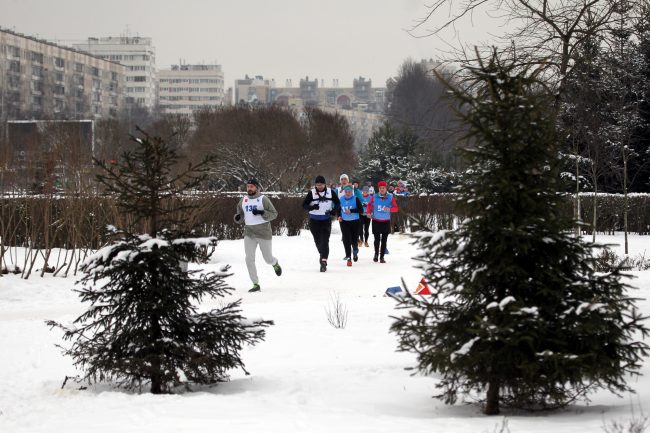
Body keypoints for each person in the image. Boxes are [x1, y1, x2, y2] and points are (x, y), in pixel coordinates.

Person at [233, 178, 282, 292]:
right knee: (249, 259)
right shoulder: (243, 200)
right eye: (248, 186)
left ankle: (274, 263)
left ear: (257, 187)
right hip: (249, 233)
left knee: (267, 259)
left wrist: (262, 213)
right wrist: (237, 218)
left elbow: (274, 214)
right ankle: (255, 284)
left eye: (252, 186)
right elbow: (239, 215)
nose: (249, 189)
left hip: (263, 232)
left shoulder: (263, 199)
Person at [303, 175, 340, 272]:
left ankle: (323, 261)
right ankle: (322, 253)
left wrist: (334, 211)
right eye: (317, 184)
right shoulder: (312, 193)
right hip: (314, 220)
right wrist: (312, 207)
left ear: (325, 184)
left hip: (326, 220)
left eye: (321, 184)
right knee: (318, 240)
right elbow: (304, 205)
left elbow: (338, 203)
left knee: (325, 240)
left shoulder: (330, 192)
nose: (319, 186)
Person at [366, 180, 399, 263]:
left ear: (386, 188)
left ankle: (382, 257)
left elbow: (396, 208)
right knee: (376, 239)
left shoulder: (390, 197)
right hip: (376, 220)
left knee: (384, 240)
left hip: (386, 221)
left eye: (383, 188)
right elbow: (369, 204)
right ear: (378, 188)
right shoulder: (375, 196)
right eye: (380, 188)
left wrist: (389, 209)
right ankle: (376, 254)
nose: (382, 189)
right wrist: (369, 212)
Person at [338, 185, 363, 266]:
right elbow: (338, 209)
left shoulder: (356, 199)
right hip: (344, 222)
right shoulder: (341, 199)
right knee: (346, 239)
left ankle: (355, 249)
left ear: (352, 192)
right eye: (346, 192)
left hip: (355, 222)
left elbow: (361, 210)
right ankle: (349, 257)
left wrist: (351, 210)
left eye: (349, 192)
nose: (348, 193)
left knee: (354, 240)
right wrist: (339, 216)